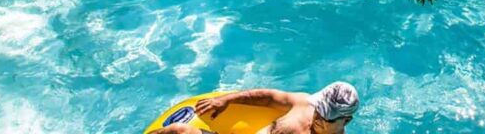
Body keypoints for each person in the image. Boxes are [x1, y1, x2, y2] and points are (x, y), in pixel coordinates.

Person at [149, 82, 360, 134]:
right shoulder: (304, 103)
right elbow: (268, 98)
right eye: (319, 111)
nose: (318, 119)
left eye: (327, 119)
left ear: (346, 121)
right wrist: (227, 100)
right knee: (179, 130)